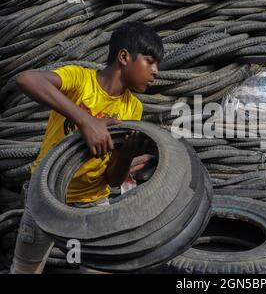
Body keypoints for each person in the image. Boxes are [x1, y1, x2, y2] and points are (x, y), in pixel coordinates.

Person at [10, 21, 163, 274]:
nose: (156, 71)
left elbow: (113, 179)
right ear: (124, 57)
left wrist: (124, 156)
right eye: (150, 61)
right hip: (46, 195)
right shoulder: (80, 80)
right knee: (25, 270)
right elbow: (26, 79)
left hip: (92, 203)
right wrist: (85, 121)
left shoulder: (133, 108)